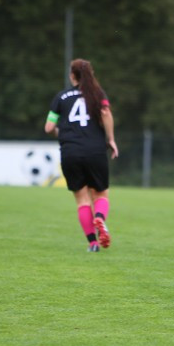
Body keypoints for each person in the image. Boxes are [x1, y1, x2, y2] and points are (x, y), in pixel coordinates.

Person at [45, 58, 119, 252]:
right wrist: (110, 139)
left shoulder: (61, 97)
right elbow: (106, 114)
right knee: (101, 194)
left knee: (82, 199)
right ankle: (100, 218)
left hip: (70, 152)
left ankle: (93, 243)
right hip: (95, 150)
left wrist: (61, 133)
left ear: (72, 76)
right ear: (90, 74)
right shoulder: (97, 94)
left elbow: (49, 127)